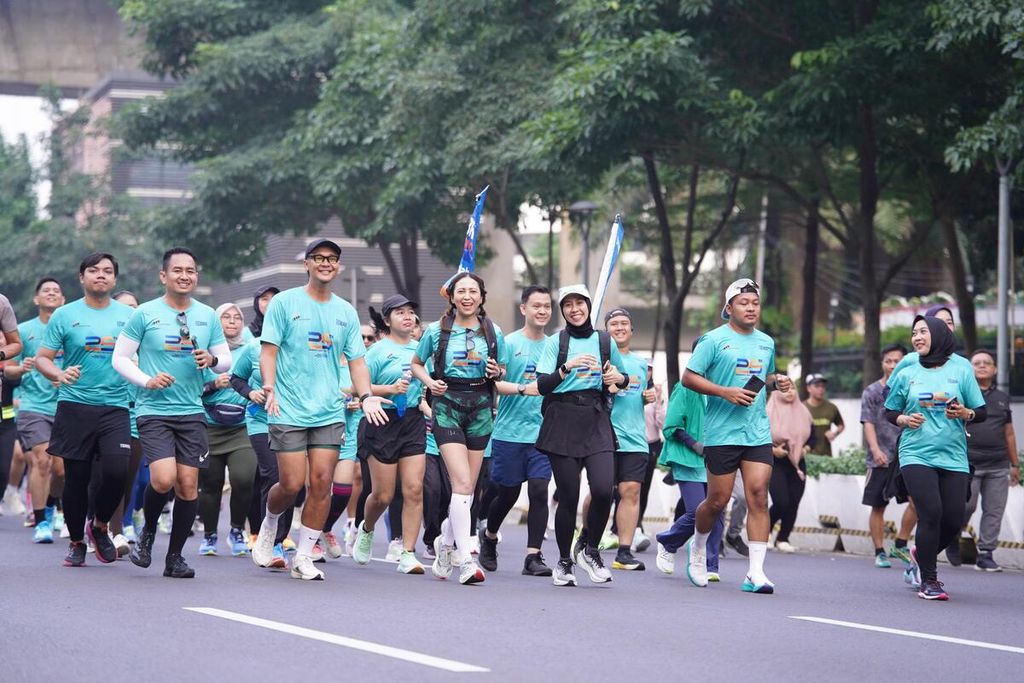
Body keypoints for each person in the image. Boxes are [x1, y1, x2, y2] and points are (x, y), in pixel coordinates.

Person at [250, 239, 386, 581]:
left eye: (332, 259)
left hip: (328, 410)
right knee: (291, 483)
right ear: (307, 264)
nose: (326, 263)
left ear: (338, 266)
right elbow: (268, 352)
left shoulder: (345, 312)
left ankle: (305, 554)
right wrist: (269, 385)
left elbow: (356, 361)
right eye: (319, 258)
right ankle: (269, 524)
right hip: (289, 406)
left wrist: (366, 394)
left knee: (322, 483)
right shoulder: (284, 303)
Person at [113, 247, 232, 579]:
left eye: (191, 270)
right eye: (177, 270)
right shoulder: (144, 313)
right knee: (163, 479)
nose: (185, 275)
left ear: (196, 276)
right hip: (154, 410)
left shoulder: (208, 315)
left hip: (192, 410)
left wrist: (211, 360)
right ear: (163, 276)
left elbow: (225, 359)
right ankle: (148, 534)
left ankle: (175, 557)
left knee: (188, 485)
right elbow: (120, 358)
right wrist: (147, 380)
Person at [683, 278, 793, 594]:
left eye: (755, 303)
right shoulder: (713, 341)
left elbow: (765, 376)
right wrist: (724, 392)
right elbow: (689, 377)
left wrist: (778, 382)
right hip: (722, 431)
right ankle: (699, 548)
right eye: (743, 303)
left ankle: (755, 572)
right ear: (729, 308)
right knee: (716, 501)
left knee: (758, 494)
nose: (750, 308)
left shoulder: (766, 342)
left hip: (756, 430)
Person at [33, 253, 134, 567]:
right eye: (93, 271)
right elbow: (43, 358)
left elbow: (145, 353)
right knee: (75, 478)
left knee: (118, 471)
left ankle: (100, 525)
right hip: (75, 405)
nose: (100, 276)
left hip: (117, 405)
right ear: (82, 278)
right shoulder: (65, 315)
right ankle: (77, 540)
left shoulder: (130, 316)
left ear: (115, 279)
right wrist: (59, 374)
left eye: (107, 271)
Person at [411, 272, 506, 586]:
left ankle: (444, 543)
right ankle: (466, 559)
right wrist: (430, 383)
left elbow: (501, 370)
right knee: (462, 482)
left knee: (469, 488)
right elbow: (416, 364)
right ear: (451, 297)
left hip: (480, 407)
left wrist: (497, 370)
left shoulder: (493, 331)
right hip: (447, 406)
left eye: (473, 291)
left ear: (481, 296)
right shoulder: (437, 331)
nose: (467, 296)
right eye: (461, 291)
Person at [884, 315, 986, 600]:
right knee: (931, 513)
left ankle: (920, 554)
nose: (917, 337)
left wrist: (965, 414)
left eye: (923, 332)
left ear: (939, 334)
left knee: (953, 519)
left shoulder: (962, 368)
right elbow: (889, 410)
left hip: (953, 454)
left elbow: (981, 410)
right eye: (914, 333)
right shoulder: (906, 369)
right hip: (916, 453)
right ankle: (929, 580)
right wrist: (904, 419)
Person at [533, 284, 629, 587]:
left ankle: (589, 549)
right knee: (569, 495)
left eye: (580, 303)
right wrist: (566, 367)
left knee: (604, 489)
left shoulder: (604, 340)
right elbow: (543, 385)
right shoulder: (555, 342)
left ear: (589, 306)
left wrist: (618, 378)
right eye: (569, 305)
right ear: (563, 310)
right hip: (561, 418)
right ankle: (563, 561)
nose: (575, 309)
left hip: (596, 418)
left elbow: (622, 378)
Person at [477, 285, 553, 577]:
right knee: (507, 493)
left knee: (538, 490)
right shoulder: (507, 343)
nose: (542, 311)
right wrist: (524, 388)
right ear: (524, 309)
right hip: (509, 432)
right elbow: (494, 383)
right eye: (536, 306)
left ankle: (533, 557)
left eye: (546, 306)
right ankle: (490, 535)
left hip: (542, 435)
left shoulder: (555, 346)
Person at [352, 295, 426, 575]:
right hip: (381, 420)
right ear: (387, 321)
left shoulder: (422, 351)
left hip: (412, 421)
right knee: (383, 495)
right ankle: (367, 528)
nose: (407, 317)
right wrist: (389, 390)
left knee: (414, 489)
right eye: (400, 313)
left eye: (410, 312)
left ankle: (408, 552)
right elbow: (355, 387)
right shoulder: (376, 351)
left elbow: (427, 385)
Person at [586, 307, 656, 571]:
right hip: (603, 436)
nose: (619, 327)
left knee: (631, 491)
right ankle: (586, 537)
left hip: (636, 438)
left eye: (624, 323)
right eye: (614, 324)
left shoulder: (641, 364)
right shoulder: (598, 360)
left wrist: (650, 397)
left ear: (631, 329)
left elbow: (645, 394)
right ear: (607, 331)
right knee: (600, 491)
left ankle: (624, 552)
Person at [229, 290, 292, 569]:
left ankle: (279, 535)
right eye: (265, 300)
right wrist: (250, 393)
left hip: (293, 420)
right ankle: (272, 540)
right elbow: (236, 378)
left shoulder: (296, 345)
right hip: (259, 420)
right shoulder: (253, 346)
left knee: (292, 482)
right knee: (272, 474)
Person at [654, 337, 726, 583]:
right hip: (686, 456)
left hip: (714, 458)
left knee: (717, 509)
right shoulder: (685, 387)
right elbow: (671, 426)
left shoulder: (719, 387)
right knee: (697, 511)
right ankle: (668, 541)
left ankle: (710, 563)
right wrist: (695, 444)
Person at [4, 278, 65, 543]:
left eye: (56, 291)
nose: (51, 294)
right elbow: (8, 368)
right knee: (42, 460)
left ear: (63, 300)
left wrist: (62, 374)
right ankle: (41, 521)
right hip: (33, 407)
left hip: (65, 405)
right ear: (36, 300)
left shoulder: (69, 327)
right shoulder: (25, 330)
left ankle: (52, 504)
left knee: (61, 470)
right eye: (45, 291)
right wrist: (24, 367)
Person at [197, 303, 258, 557]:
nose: (232, 321)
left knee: (244, 478)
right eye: (225, 317)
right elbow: (189, 388)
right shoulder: (204, 349)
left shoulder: (252, 348)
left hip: (242, 425)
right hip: (209, 424)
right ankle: (210, 535)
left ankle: (236, 530)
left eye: (237, 317)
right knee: (210, 483)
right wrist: (213, 384)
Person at [963, 349, 1019, 572]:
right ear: (969, 369)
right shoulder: (962, 395)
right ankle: (953, 536)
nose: (982, 366)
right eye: (977, 363)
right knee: (965, 506)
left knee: (994, 510)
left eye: (987, 363)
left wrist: (1014, 464)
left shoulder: (1002, 399)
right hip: (968, 463)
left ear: (995, 369)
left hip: (997, 464)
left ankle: (986, 554)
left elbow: (1010, 433)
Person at [860, 343, 908, 568]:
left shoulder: (911, 389)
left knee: (918, 503)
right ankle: (879, 551)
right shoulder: (872, 391)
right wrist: (876, 450)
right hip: (881, 457)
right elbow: (867, 423)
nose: (892, 365)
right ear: (882, 363)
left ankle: (901, 543)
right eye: (888, 361)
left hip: (907, 456)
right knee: (878, 506)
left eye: (897, 361)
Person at [767, 387, 813, 552]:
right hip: (775, 462)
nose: (790, 392)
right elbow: (759, 437)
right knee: (781, 501)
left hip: (797, 463)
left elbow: (812, 437)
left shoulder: (803, 412)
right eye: (785, 389)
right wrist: (773, 450)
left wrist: (804, 450)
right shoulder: (768, 412)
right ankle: (765, 532)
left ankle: (783, 538)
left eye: (793, 388)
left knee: (794, 502)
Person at [803, 374, 844, 457]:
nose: (821, 389)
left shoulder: (831, 407)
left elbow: (841, 425)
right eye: (817, 386)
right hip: (806, 456)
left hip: (826, 457)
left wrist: (834, 434)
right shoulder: (801, 408)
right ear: (808, 388)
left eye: (823, 386)